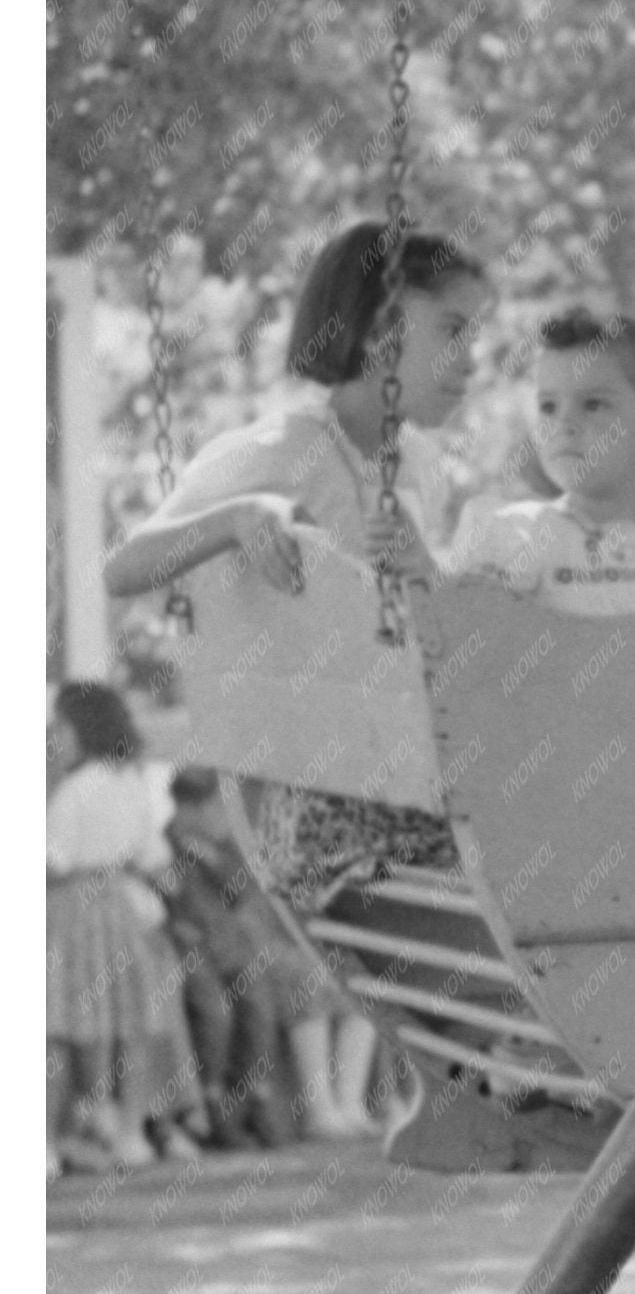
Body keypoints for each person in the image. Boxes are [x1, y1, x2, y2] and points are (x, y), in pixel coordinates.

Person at [105, 221, 490, 916]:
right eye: (453, 330)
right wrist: (237, 517)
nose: (473, 359)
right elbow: (125, 568)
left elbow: (416, 632)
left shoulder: (421, 465)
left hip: (405, 775)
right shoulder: (285, 448)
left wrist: (429, 572)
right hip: (331, 804)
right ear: (378, 331)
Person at [449, 307, 635, 615]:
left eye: (593, 405)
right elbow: (473, 632)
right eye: (549, 406)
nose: (564, 424)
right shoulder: (517, 535)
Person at [161, 766, 375, 1146]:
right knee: (303, 982)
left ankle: (349, 1103)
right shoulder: (173, 849)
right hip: (232, 951)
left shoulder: (231, 848)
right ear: (189, 809)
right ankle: (318, 1108)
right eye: (214, 807)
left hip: (260, 945)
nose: (222, 816)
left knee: (356, 986)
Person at [47, 682, 207, 1172]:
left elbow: (54, 859)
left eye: (61, 728)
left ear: (85, 729)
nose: (55, 738)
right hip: (127, 908)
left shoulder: (75, 789)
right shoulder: (130, 783)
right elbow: (154, 854)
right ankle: (131, 1132)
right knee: (135, 1024)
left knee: (70, 1025)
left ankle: (61, 1131)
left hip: (76, 910)